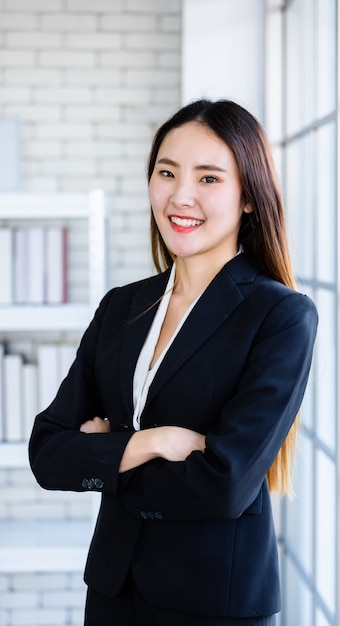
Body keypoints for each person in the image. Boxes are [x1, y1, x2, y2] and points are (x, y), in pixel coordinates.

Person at [29, 99, 318, 626]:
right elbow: (48, 453)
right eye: (167, 172)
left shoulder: (279, 316)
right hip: (114, 593)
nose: (180, 196)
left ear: (249, 196)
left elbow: (225, 484)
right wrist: (149, 443)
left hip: (213, 603)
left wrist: (103, 452)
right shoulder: (122, 306)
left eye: (209, 178)